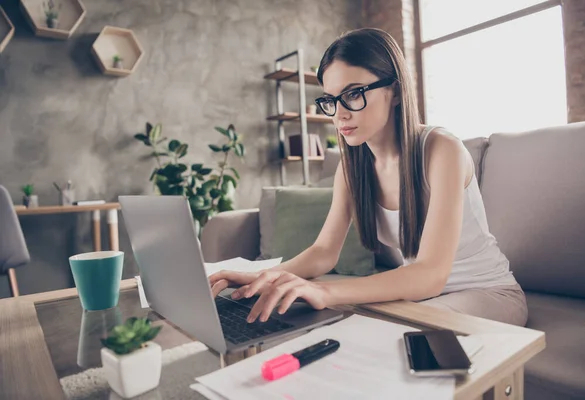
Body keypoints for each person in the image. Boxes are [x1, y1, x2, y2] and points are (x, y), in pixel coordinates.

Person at [210, 28, 527, 327]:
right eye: (330, 100)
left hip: (489, 294)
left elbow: (430, 274)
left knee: (384, 333)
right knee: (328, 326)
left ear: (396, 91)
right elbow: (323, 253)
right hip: (425, 297)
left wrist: (325, 292)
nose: (339, 114)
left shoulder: (441, 150)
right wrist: (264, 275)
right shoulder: (351, 167)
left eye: (354, 94)